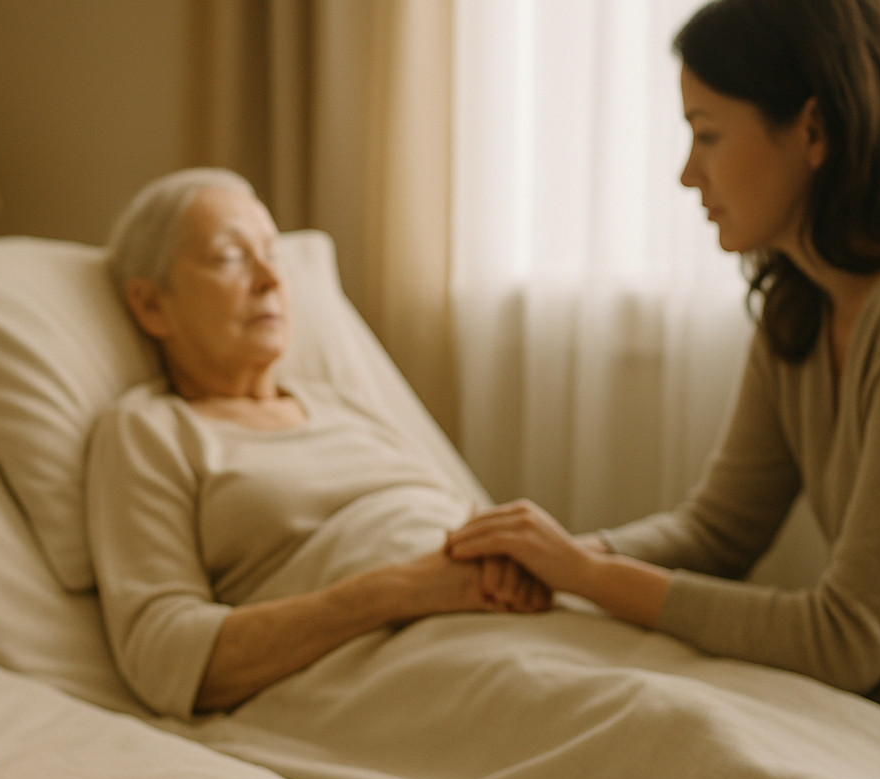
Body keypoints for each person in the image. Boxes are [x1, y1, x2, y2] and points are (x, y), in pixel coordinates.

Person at [445, 0, 880, 713]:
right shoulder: (799, 306)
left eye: (708, 135)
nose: (688, 174)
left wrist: (586, 574)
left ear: (814, 130)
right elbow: (716, 533)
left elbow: (848, 638)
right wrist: (555, 556)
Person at [86, 168, 549, 720]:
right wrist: (396, 591)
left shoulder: (341, 402)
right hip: (397, 668)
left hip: (520, 619)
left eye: (272, 255)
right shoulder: (151, 429)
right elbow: (165, 654)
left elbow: (466, 517)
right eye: (230, 257)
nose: (270, 280)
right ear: (152, 306)